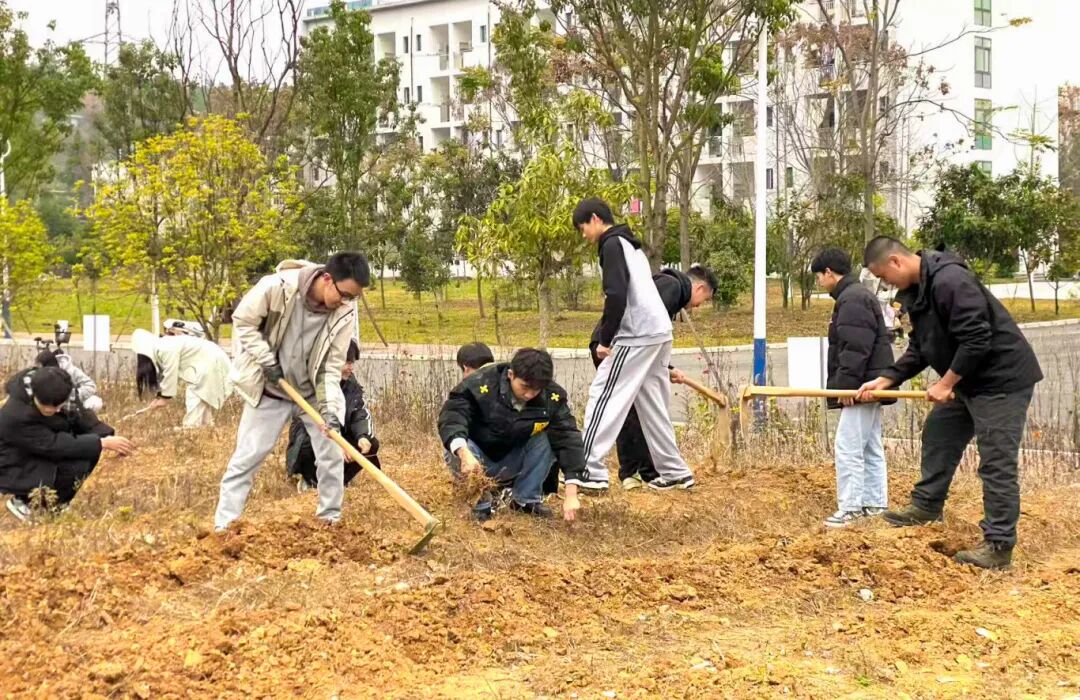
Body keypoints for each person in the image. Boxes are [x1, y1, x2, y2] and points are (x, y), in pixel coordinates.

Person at [857, 237, 1043, 569]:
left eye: (884, 276)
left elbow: (977, 338)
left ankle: (999, 546)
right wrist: (887, 379)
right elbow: (921, 346)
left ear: (896, 262)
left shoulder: (950, 280)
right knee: (939, 434)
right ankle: (926, 506)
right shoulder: (918, 291)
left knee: (996, 462)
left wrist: (946, 383)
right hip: (968, 379)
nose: (887, 284)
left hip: (1000, 381)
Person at [214, 253, 369, 531]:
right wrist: (266, 359)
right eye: (344, 294)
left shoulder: (344, 311)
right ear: (327, 279)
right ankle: (224, 525)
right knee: (248, 456)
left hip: (311, 394)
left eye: (353, 298)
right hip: (271, 389)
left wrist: (330, 411)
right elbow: (243, 321)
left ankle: (330, 520)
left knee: (331, 454)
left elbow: (331, 367)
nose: (346, 302)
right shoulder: (277, 287)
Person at [571, 197, 696, 492]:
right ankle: (675, 472)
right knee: (653, 404)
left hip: (637, 333)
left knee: (603, 394)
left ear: (595, 219)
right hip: (659, 331)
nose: (584, 235)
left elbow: (616, 293)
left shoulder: (611, 244)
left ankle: (588, 469)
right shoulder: (630, 244)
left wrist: (605, 339)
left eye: (582, 228)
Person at [587, 264, 717, 490]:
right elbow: (642, 326)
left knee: (651, 407)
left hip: (640, 344)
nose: (698, 306)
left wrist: (666, 367)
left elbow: (652, 337)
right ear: (699, 288)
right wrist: (608, 342)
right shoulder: (671, 286)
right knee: (614, 403)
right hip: (613, 344)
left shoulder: (671, 291)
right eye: (704, 300)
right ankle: (597, 469)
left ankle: (668, 472)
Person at [438, 348, 583, 522]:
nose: (529, 395)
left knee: (548, 438)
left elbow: (567, 437)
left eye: (537, 389)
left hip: (516, 459)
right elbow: (453, 415)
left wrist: (571, 494)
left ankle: (525, 500)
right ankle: (480, 503)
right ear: (511, 375)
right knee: (456, 444)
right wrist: (463, 453)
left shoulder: (552, 396)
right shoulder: (479, 383)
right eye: (525, 387)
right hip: (477, 459)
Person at [811, 247, 895, 528]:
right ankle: (874, 503)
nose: (819, 282)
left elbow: (855, 348)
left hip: (861, 386)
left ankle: (850, 507)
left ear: (828, 272)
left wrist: (846, 388)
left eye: (818, 277)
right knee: (869, 445)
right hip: (869, 383)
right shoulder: (856, 295)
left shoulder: (852, 299)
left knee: (848, 446)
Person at [0, 366, 134, 521]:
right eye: (50, 408)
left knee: (88, 452)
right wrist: (101, 442)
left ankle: (56, 503)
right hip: (13, 461)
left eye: (59, 406)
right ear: (36, 397)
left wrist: (107, 436)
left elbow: (80, 416)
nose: (57, 410)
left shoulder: (62, 388)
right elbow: (53, 445)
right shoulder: (16, 415)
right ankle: (26, 503)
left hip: (41, 447)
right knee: (81, 454)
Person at [286, 339, 379, 492]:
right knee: (308, 443)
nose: (351, 367)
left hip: (338, 438)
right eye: (347, 362)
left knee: (371, 444)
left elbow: (359, 413)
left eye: (352, 363)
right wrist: (337, 445)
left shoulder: (351, 385)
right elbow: (318, 423)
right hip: (311, 439)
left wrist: (363, 436)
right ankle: (311, 480)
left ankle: (340, 480)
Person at [131, 328, 233, 428]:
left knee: (196, 393)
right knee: (202, 397)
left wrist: (164, 398)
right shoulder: (162, 346)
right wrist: (159, 398)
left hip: (211, 363)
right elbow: (166, 375)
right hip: (210, 362)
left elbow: (170, 372)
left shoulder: (165, 348)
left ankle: (192, 427)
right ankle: (205, 427)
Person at [35, 349, 104, 413]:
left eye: (41, 368)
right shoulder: (39, 376)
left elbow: (91, 386)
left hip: (74, 402)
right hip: (53, 404)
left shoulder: (72, 371)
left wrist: (75, 394)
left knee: (95, 402)